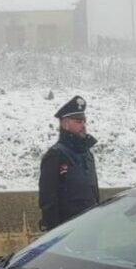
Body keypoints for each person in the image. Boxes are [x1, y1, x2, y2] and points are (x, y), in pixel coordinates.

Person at [39, 96, 100, 231]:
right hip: (67, 228)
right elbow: (48, 198)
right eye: (78, 121)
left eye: (84, 121)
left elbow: (93, 192)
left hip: (90, 225)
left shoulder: (87, 154)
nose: (83, 125)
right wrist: (52, 230)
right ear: (65, 124)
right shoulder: (56, 155)